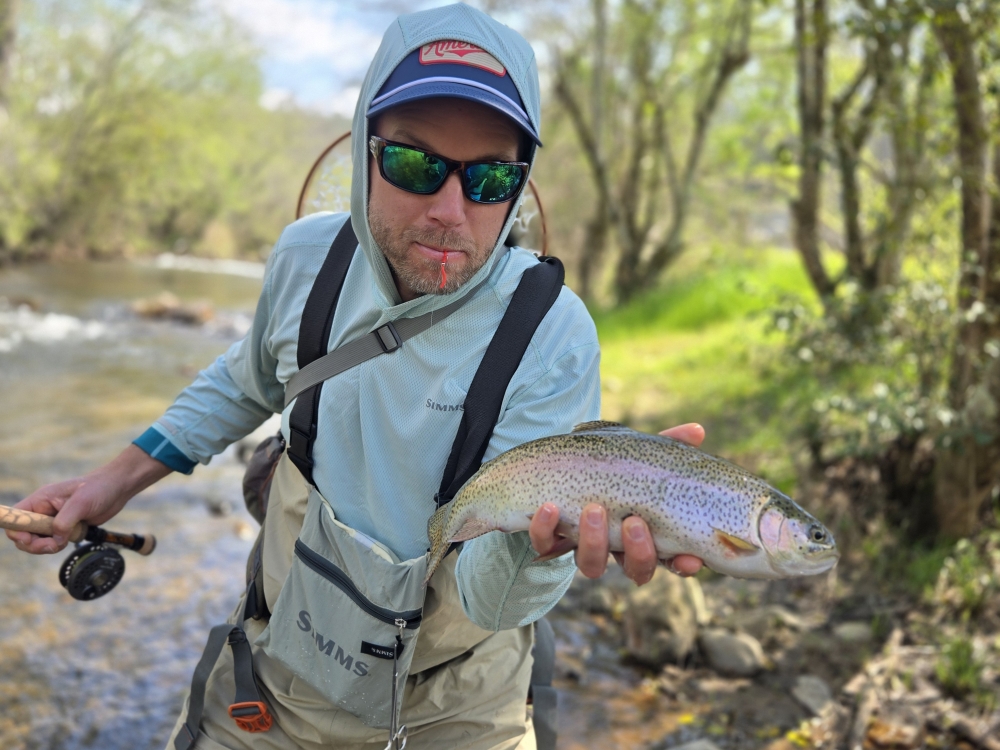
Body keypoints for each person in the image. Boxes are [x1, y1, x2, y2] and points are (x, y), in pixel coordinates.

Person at [7, 5, 702, 749]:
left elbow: (492, 599)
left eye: (491, 178)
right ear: (364, 151)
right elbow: (246, 380)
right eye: (415, 165)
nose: (449, 211)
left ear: (519, 184)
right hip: (274, 684)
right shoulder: (305, 259)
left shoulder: (552, 334)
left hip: (459, 711)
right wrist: (111, 482)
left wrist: (537, 553)